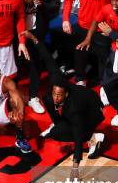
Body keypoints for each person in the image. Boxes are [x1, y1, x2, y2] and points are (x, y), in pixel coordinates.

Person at [22, 31, 106, 169]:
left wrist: (75, 167)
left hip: (93, 109)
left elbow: (78, 140)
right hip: (83, 100)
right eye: (55, 94)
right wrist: (33, 38)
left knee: (61, 133)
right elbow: (48, 59)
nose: (56, 97)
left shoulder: (73, 108)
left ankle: (94, 137)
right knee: (47, 100)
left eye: (59, 95)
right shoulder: (57, 82)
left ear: (65, 94)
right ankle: (62, 124)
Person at [10, 0, 60, 114]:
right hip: (17, 26)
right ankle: (12, 94)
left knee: (35, 63)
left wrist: (43, 4)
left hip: (39, 27)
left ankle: (33, 97)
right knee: (14, 62)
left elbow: (55, 7)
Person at [62, 0, 118, 84]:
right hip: (83, 25)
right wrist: (65, 19)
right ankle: (80, 80)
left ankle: (104, 85)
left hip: (102, 29)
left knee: (104, 62)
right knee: (80, 56)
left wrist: (112, 27)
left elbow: (117, 5)